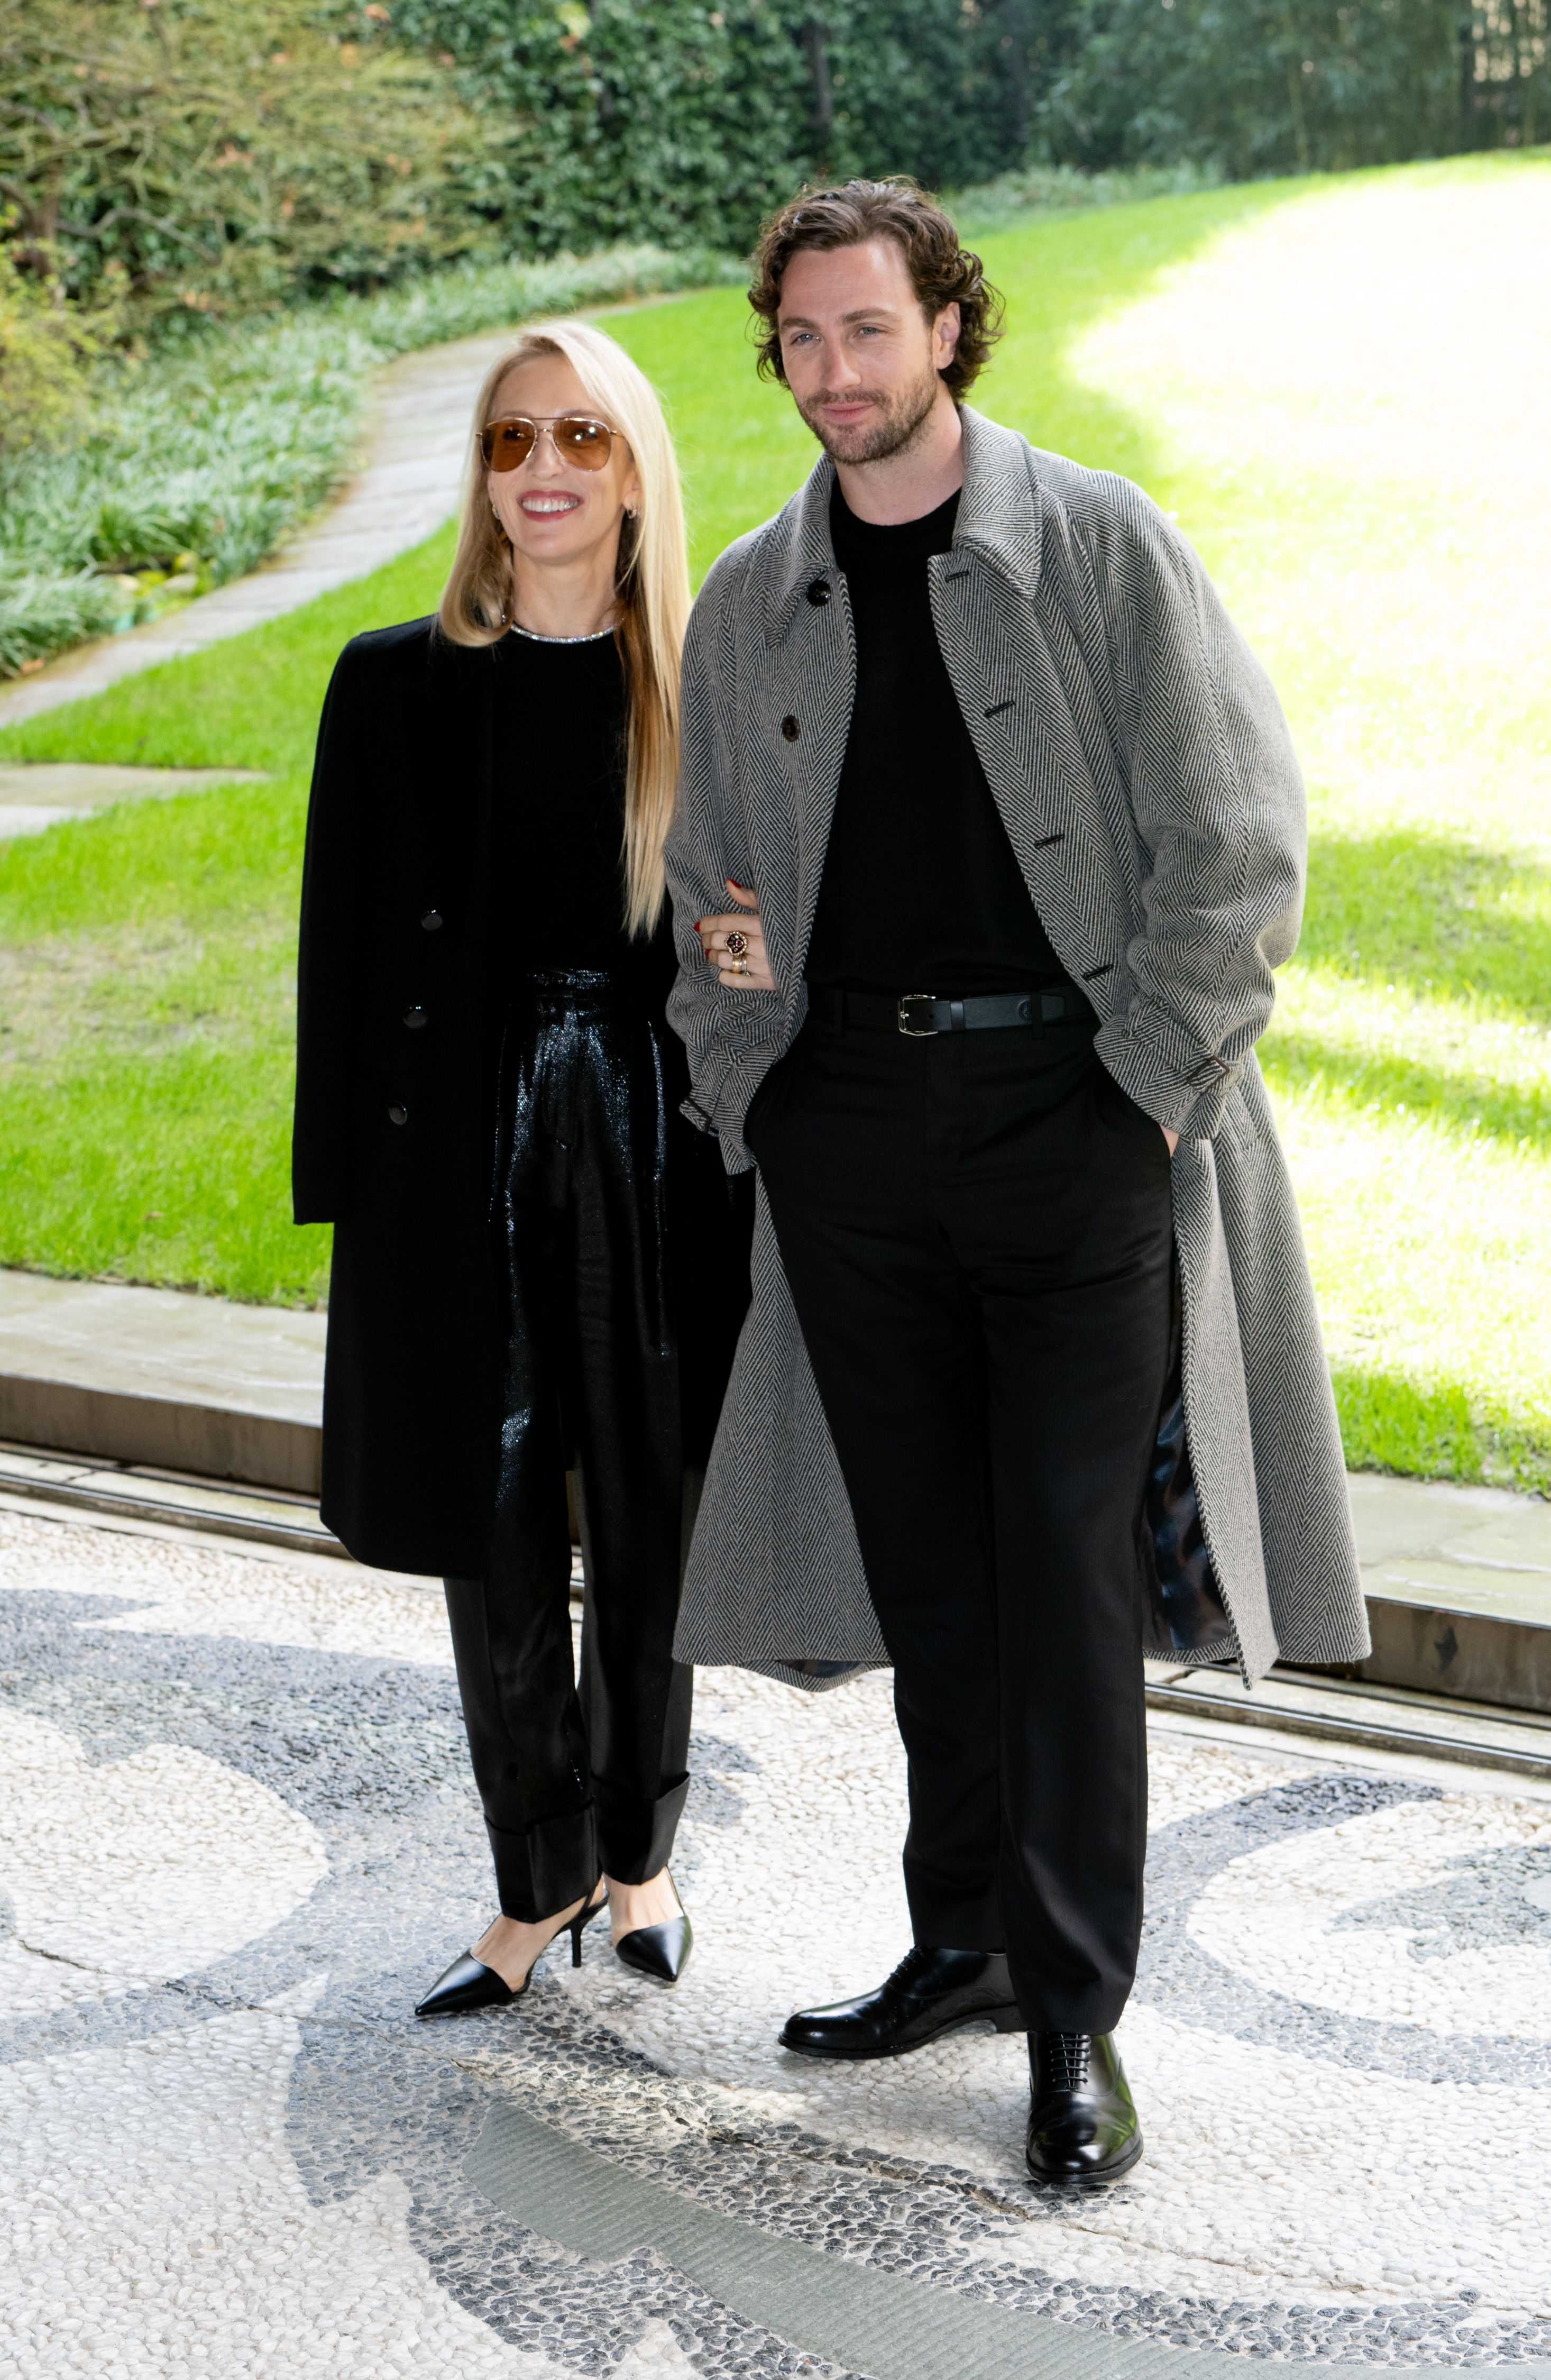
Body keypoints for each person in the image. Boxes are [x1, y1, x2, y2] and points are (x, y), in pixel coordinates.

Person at [664, 180, 1369, 2184]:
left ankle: (1073, 2010)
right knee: (935, 1575)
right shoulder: (749, 597)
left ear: (948, 330)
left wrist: (1143, 1091)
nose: (832, 376)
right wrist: (760, 1102)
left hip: (1076, 1138)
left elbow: (1239, 846)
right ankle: (961, 1936)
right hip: (855, 1152)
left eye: (867, 331)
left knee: (1061, 1586)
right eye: (799, 340)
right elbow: (709, 878)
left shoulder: (1100, 550)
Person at [292, 319, 751, 2018]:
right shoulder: (390, 681)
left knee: (656, 1510)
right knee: (491, 1522)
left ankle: (641, 1854)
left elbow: (774, 932)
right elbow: (338, 958)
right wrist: (343, 1194)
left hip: (660, 1143)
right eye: (509, 441)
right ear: (482, 478)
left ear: (636, 471)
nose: (543, 470)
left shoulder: (705, 680)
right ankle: (534, 1872)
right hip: (457, 1156)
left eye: (579, 437)